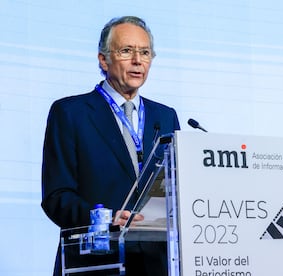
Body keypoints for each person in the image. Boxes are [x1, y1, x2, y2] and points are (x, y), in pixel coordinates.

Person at [41, 16, 180, 275]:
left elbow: (175, 187)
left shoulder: (165, 116)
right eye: (127, 51)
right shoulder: (71, 113)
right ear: (103, 60)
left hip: (155, 263)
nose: (138, 60)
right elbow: (56, 197)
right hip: (95, 262)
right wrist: (105, 219)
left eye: (145, 52)